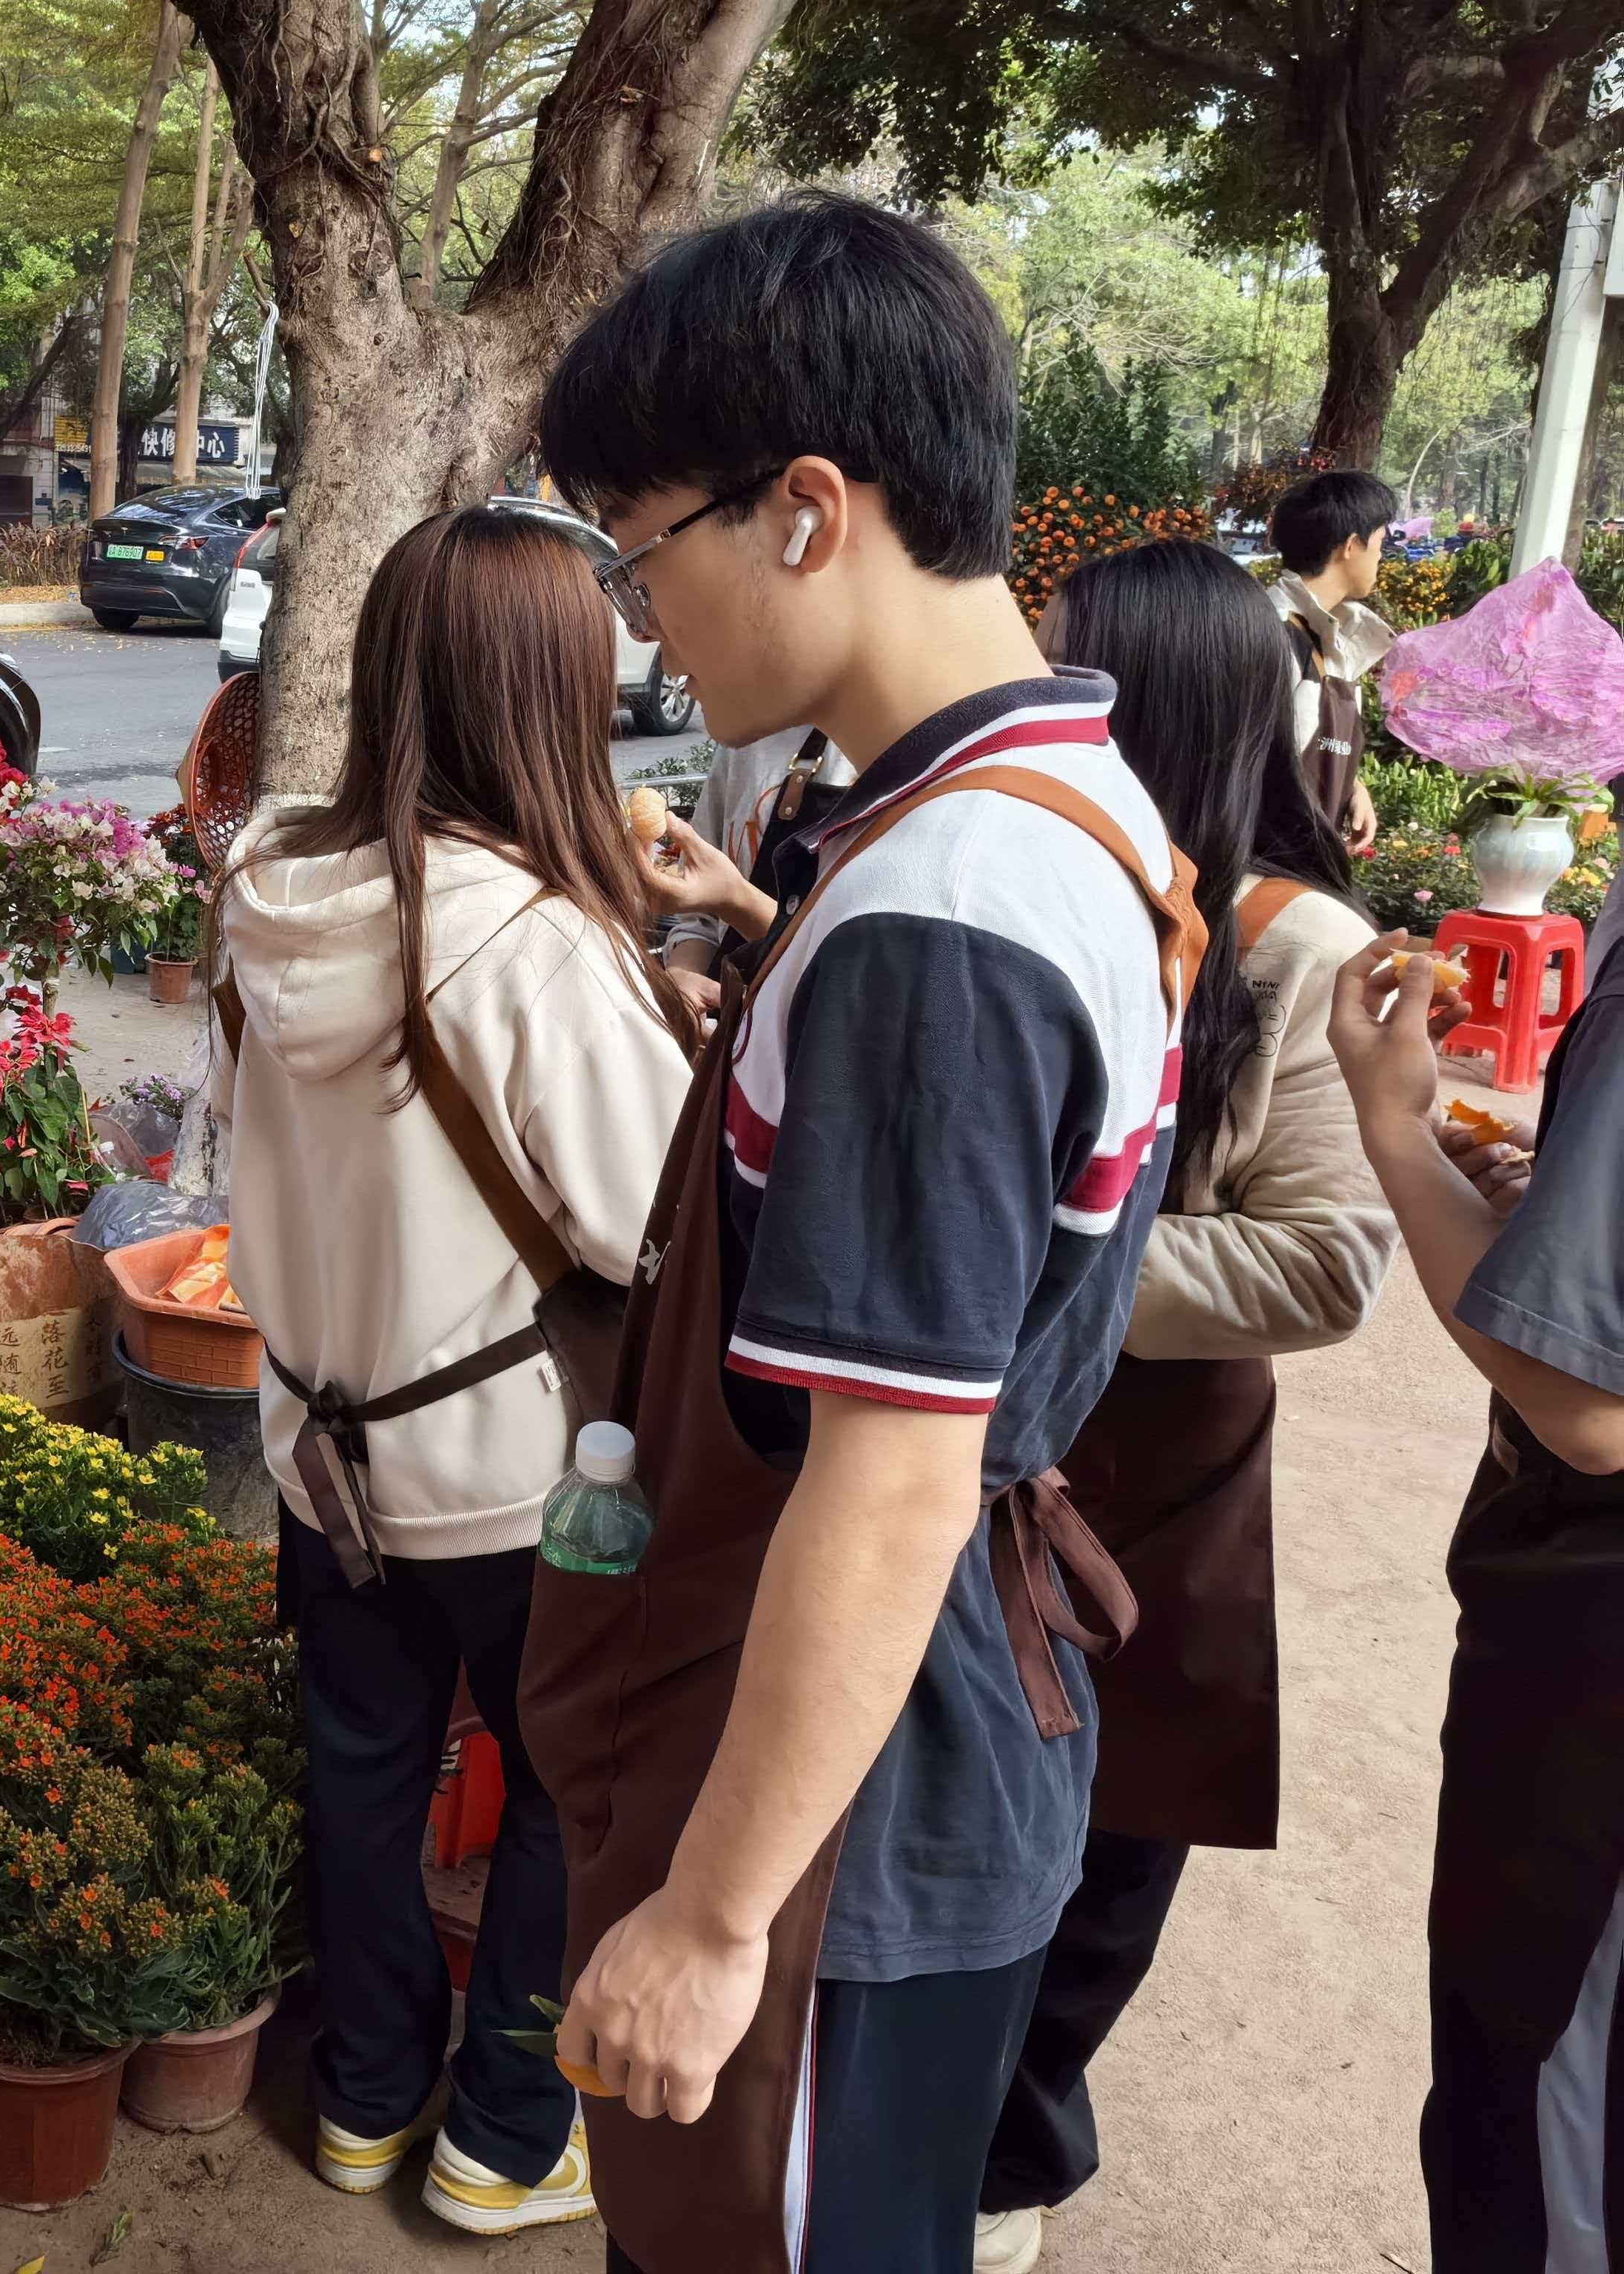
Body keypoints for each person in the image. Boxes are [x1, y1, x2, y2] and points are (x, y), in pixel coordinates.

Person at [526, 190, 1202, 2274]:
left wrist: (715, 1915)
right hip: (890, 1745)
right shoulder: (1051, 803)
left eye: (643, 552)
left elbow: (897, 1474)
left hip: (848, 1817)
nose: (649, 629)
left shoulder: (946, 910)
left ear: (807, 511)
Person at [210, 505, 695, 2235]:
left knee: (360, 1767)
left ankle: (361, 2098)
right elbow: (654, 1227)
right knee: (567, 1789)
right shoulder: (529, 937)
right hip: (513, 1476)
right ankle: (501, 2137)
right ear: (551, 691)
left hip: (320, 1453)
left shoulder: (271, 895)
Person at [971, 541, 1395, 2271]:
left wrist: (1038, 1257)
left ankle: (1006, 2160)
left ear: (1146, 702)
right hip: (996, 1436)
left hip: (1153, 1462)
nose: (1029, 691)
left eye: (1064, 665)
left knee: (1114, 1827)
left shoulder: (1300, 948)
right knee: (965, 1798)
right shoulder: (1044, 875)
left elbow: (1327, 1264)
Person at [1326, 922, 1624, 2271]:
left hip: (1591, 1689)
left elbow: (1587, 1407)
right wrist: (1551, 1220)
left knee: (1541, 2136)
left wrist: (1392, 1125)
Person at [651, 726, 853, 1016]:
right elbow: (701, 920)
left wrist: (735, 900)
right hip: (730, 1027)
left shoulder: (901, 773)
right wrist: (683, 979)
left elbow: (857, 978)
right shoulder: (743, 743)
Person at [1268, 466, 1401, 857]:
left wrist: (1350, 787)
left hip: (1312, 864)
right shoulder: (1272, 635)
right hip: (1267, 868)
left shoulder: (1336, 642)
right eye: (1380, 542)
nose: (1381, 556)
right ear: (1351, 546)